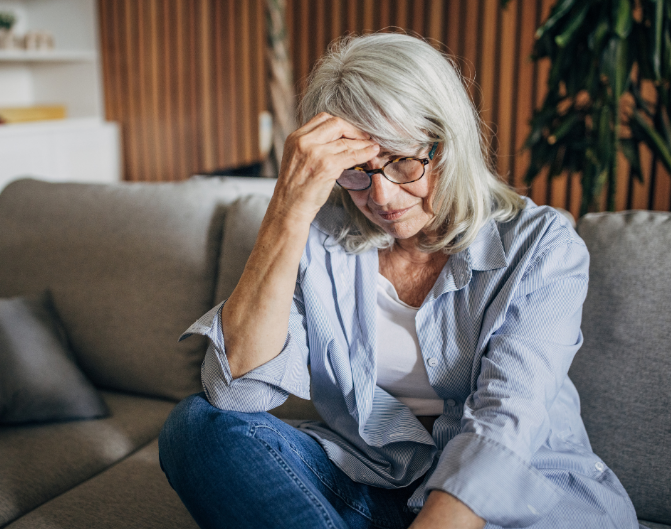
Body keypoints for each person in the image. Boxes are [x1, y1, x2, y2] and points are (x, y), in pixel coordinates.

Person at [159, 33, 639, 529]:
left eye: (403, 161)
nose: (382, 196)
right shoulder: (322, 240)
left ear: (447, 140)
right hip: (377, 481)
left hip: (512, 499)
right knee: (198, 428)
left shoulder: (541, 245)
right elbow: (240, 395)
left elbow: (505, 422)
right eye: (357, 171)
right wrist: (288, 208)